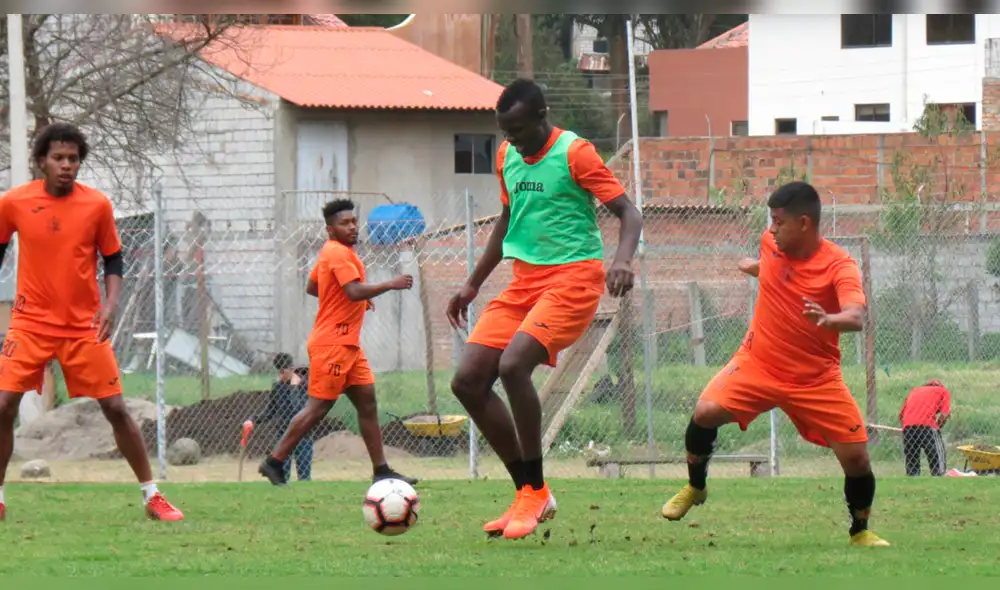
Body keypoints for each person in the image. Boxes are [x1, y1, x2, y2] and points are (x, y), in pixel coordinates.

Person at [446, 78, 643, 541]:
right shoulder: (506, 156)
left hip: (573, 279)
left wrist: (621, 261)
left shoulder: (576, 153)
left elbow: (629, 213)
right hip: (523, 283)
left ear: (542, 116)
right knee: (468, 381)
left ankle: (533, 490)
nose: (511, 140)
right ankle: (531, 492)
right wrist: (472, 283)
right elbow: (507, 219)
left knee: (514, 365)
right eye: (504, 132)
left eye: (518, 129)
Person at [659, 181, 890, 548]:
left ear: (804, 223)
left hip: (816, 379)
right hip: (758, 364)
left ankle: (859, 532)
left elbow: (857, 316)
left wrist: (829, 320)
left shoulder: (839, 265)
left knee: (858, 459)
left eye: (778, 222)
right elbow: (773, 268)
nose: (770, 230)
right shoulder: (772, 245)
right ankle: (695, 487)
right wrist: (752, 266)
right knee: (704, 411)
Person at [0, 123, 183, 522]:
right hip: (29, 324)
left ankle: (152, 495)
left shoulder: (96, 205)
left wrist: (111, 304)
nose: (67, 166)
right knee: (3, 405)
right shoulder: (14, 202)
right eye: (58, 158)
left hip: (84, 326)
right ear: (41, 161)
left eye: (73, 159)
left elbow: (114, 258)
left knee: (116, 407)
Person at [258, 199, 418, 487]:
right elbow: (354, 290)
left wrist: (346, 297)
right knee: (317, 408)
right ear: (330, 230)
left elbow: (313, 287)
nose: (353, 227)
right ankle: (274, 461)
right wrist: (388, 284)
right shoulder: (337, 253)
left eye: (354, 221)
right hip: (332, 344)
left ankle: (381, 470)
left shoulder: (332, 252)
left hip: (349, 345)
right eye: (345, 223)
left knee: (367, 402)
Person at [243, 353, 314, 482]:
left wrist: (294, 387)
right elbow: (271, 411)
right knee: (282, 477)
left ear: (292, 369)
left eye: (283, 372)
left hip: (303, 435)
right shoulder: (278, 387)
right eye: (278, 372)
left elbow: (298, 409)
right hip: (284, 434)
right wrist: (253, 419)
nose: (280, 376)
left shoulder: (305, 385)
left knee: (304, 478)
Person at [899, 379, 951, 477]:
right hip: (927, 425)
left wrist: (908, 428)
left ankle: (913, 478)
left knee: (912, 458)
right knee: (936, 457)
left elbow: (901, 415)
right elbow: (944, 415)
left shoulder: (915, 391)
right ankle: (939, 476)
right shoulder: (943, 391)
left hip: (908, 427)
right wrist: (938, 427)